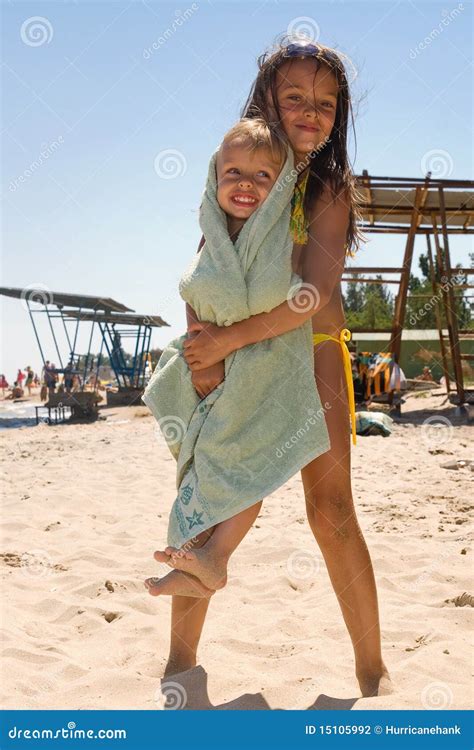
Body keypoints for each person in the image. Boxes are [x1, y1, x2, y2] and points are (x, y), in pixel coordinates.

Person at [149, 37, 391, 697]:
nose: (311, 113)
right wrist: (202, 352)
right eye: (294, 99)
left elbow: (311, 295)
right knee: (210, 497)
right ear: (266, 104)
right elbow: (208, 271)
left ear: (339, 114)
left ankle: (373, 673)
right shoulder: (242, 175)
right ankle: (180, 668)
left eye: (326, 103)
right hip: (241, 354)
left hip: (312, 352)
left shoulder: (327, 187)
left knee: (332, 508)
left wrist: (228, 341)